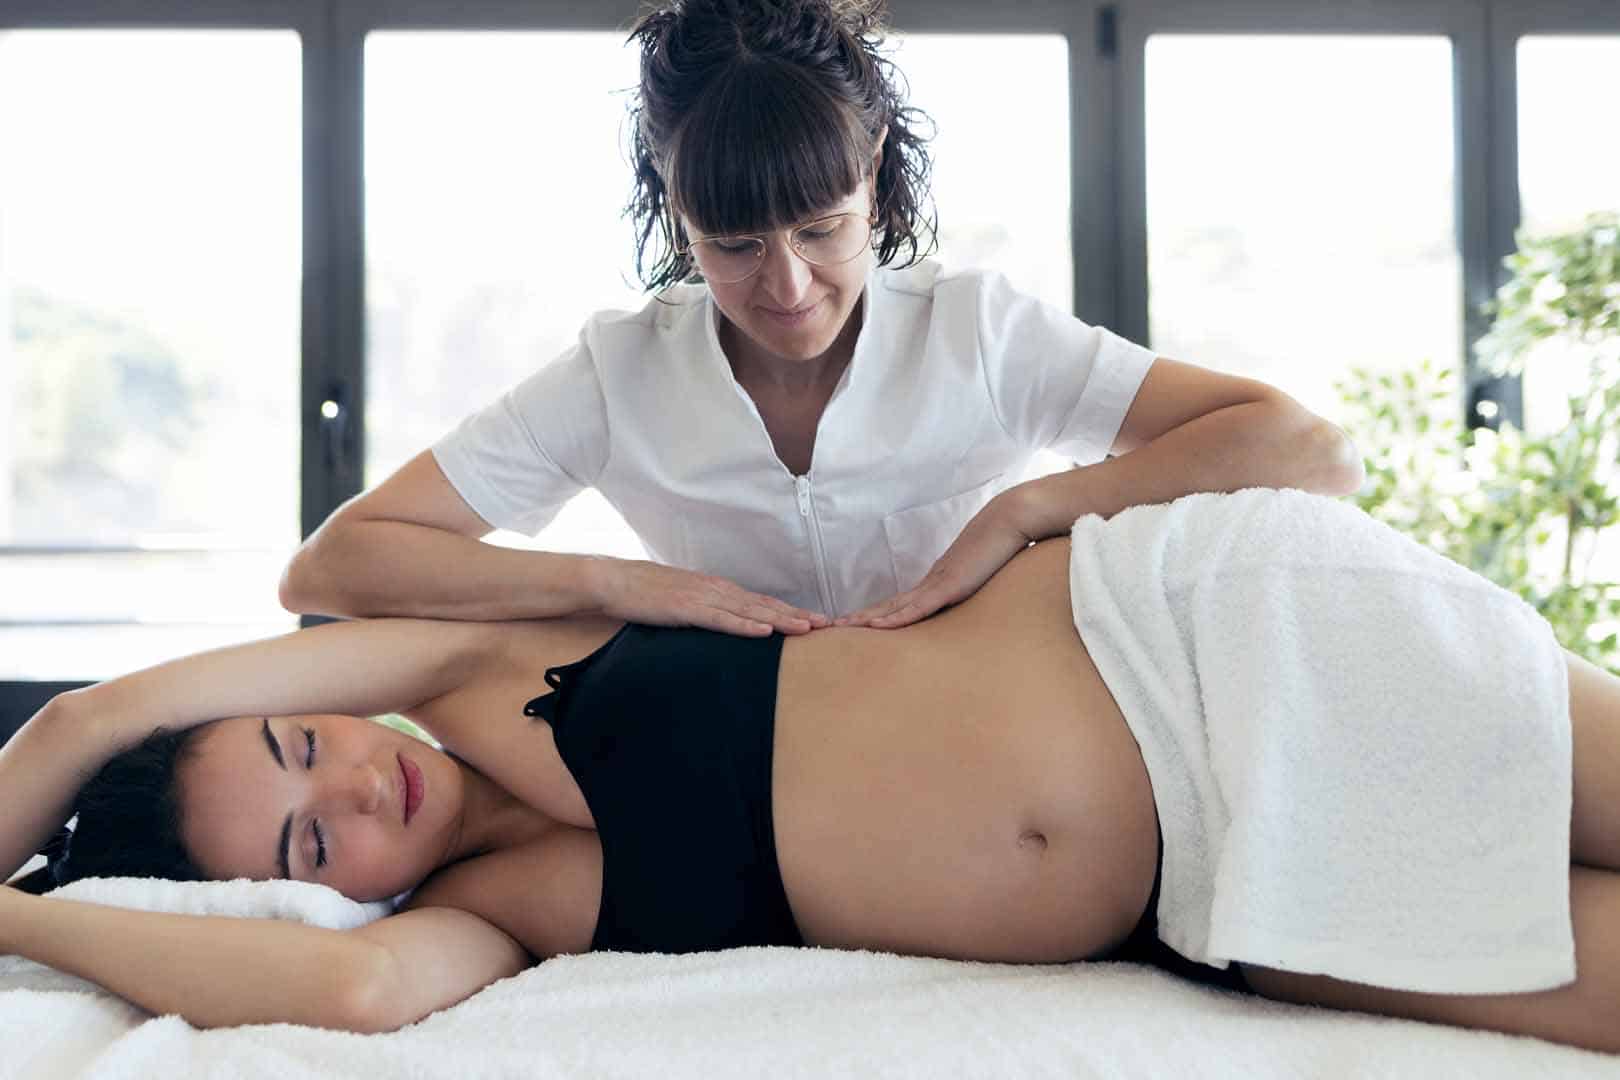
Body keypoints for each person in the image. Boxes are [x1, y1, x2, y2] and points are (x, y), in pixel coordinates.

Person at [4, 488, 1619, 1051]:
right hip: (1226, 898)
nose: (353, 792)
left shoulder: (458, 651)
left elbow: (79, 727)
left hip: (1209, 647)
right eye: (305, 850)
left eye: (305, 746)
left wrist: (75, 732)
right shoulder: (506, 917)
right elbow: (354, 1006)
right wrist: (12, 923)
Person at [277, 0, 1364, 637]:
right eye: (735, 246)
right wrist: (618, 585)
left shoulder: (977, 333)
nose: (787, 288)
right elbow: (331, 568)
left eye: (822, 229)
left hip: (998, 728)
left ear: (875, 172)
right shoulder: (619, 374)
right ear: (673, 199)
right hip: (753, 752)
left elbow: (1307, 451)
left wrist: (1026, 512)